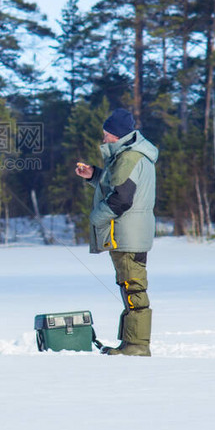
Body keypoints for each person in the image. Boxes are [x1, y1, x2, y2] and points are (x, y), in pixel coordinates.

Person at [75, 107, 159, 356]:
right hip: (132, 233)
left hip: (127, 234)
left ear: (117, 135)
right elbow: (117, 184)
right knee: (129, 285)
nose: (103, 139)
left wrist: (96, 217)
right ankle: (130, 343)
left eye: (106, 134)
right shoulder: (130, 156)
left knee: (133, 288)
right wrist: (94, 176)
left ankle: (136, 345)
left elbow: (121, 199)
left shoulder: (128, 158)